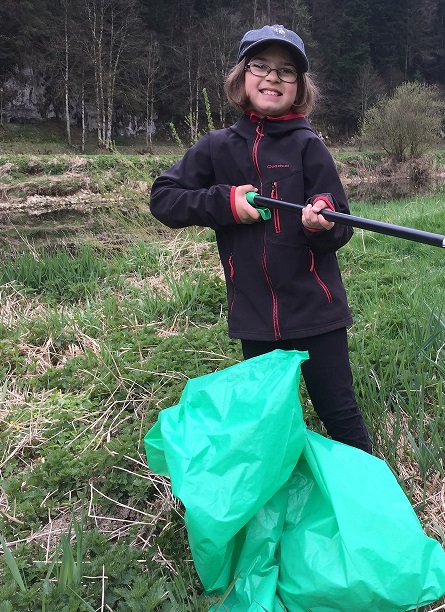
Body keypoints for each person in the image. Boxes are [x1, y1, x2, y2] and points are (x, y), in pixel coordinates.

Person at [149, 25, 373, 454]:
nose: (273, 77)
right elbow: (164, 199)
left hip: (318, 313)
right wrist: (225, 203)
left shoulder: (309, 147)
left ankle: (369, 491)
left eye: (286, 71)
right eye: (261, 66)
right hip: (254, 318)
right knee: (270, 424)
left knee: (340, 414)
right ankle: (281, 490)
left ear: (299, 86)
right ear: (241, 76)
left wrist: (321, 223)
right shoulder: (216, 147)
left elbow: (341, 226)